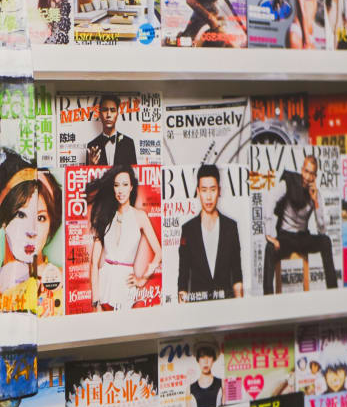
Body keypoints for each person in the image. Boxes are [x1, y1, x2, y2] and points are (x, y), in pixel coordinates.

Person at [86, 165, 161, 310]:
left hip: (125, 282)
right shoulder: (105, 216)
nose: (121, 190)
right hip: (104, 280)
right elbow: (93, 263)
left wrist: (143, 279)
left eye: (125, 185)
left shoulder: (140, 216)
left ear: (131, 187)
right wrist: (95, 301)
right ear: (112, 188)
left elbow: (159, 252)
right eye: (116, 185)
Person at [0, 169, 63, 317]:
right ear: (4, 220)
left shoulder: (61, 284)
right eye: (21, 215)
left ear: (51, 226)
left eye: (41, 218)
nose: (31, 231)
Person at [262, 154, 338, 292]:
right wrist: (269, 233)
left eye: (311, 174)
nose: (307, 177)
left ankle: (333, 292)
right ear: (302, 169)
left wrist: (315, 202)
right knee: (269, 249)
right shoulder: (288, 183)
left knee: (326, 241)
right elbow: (270, 198)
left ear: (315, 176)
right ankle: (267, 299)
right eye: (306, 171)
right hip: (285, 237)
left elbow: (322, 230)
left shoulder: (315, 194)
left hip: (302, 238)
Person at [177, 166, 244, 302]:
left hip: (226, 306)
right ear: (198, 192)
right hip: (198, 310)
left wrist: (240, 309)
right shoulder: (188, 230)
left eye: (212, 190)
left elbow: (237, 274)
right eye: (204, 190)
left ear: (219, 191)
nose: (208, 196)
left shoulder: (230, 227)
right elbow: (183, 276)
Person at [85, 95, 137, 168]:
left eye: (112, 110)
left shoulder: (128, 143)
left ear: (117, 114)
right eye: (105, 110)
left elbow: (133, 175)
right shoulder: (92, 146)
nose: (108, 115)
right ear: (99, 114)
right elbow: (88, 176)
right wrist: (91, 166)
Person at [189, 342, 223, 407]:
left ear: (213, 359)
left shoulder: (222, 383)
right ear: (198, 359)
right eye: (202, 356)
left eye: (209, 356)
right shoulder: (190, 389)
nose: (205, 361)